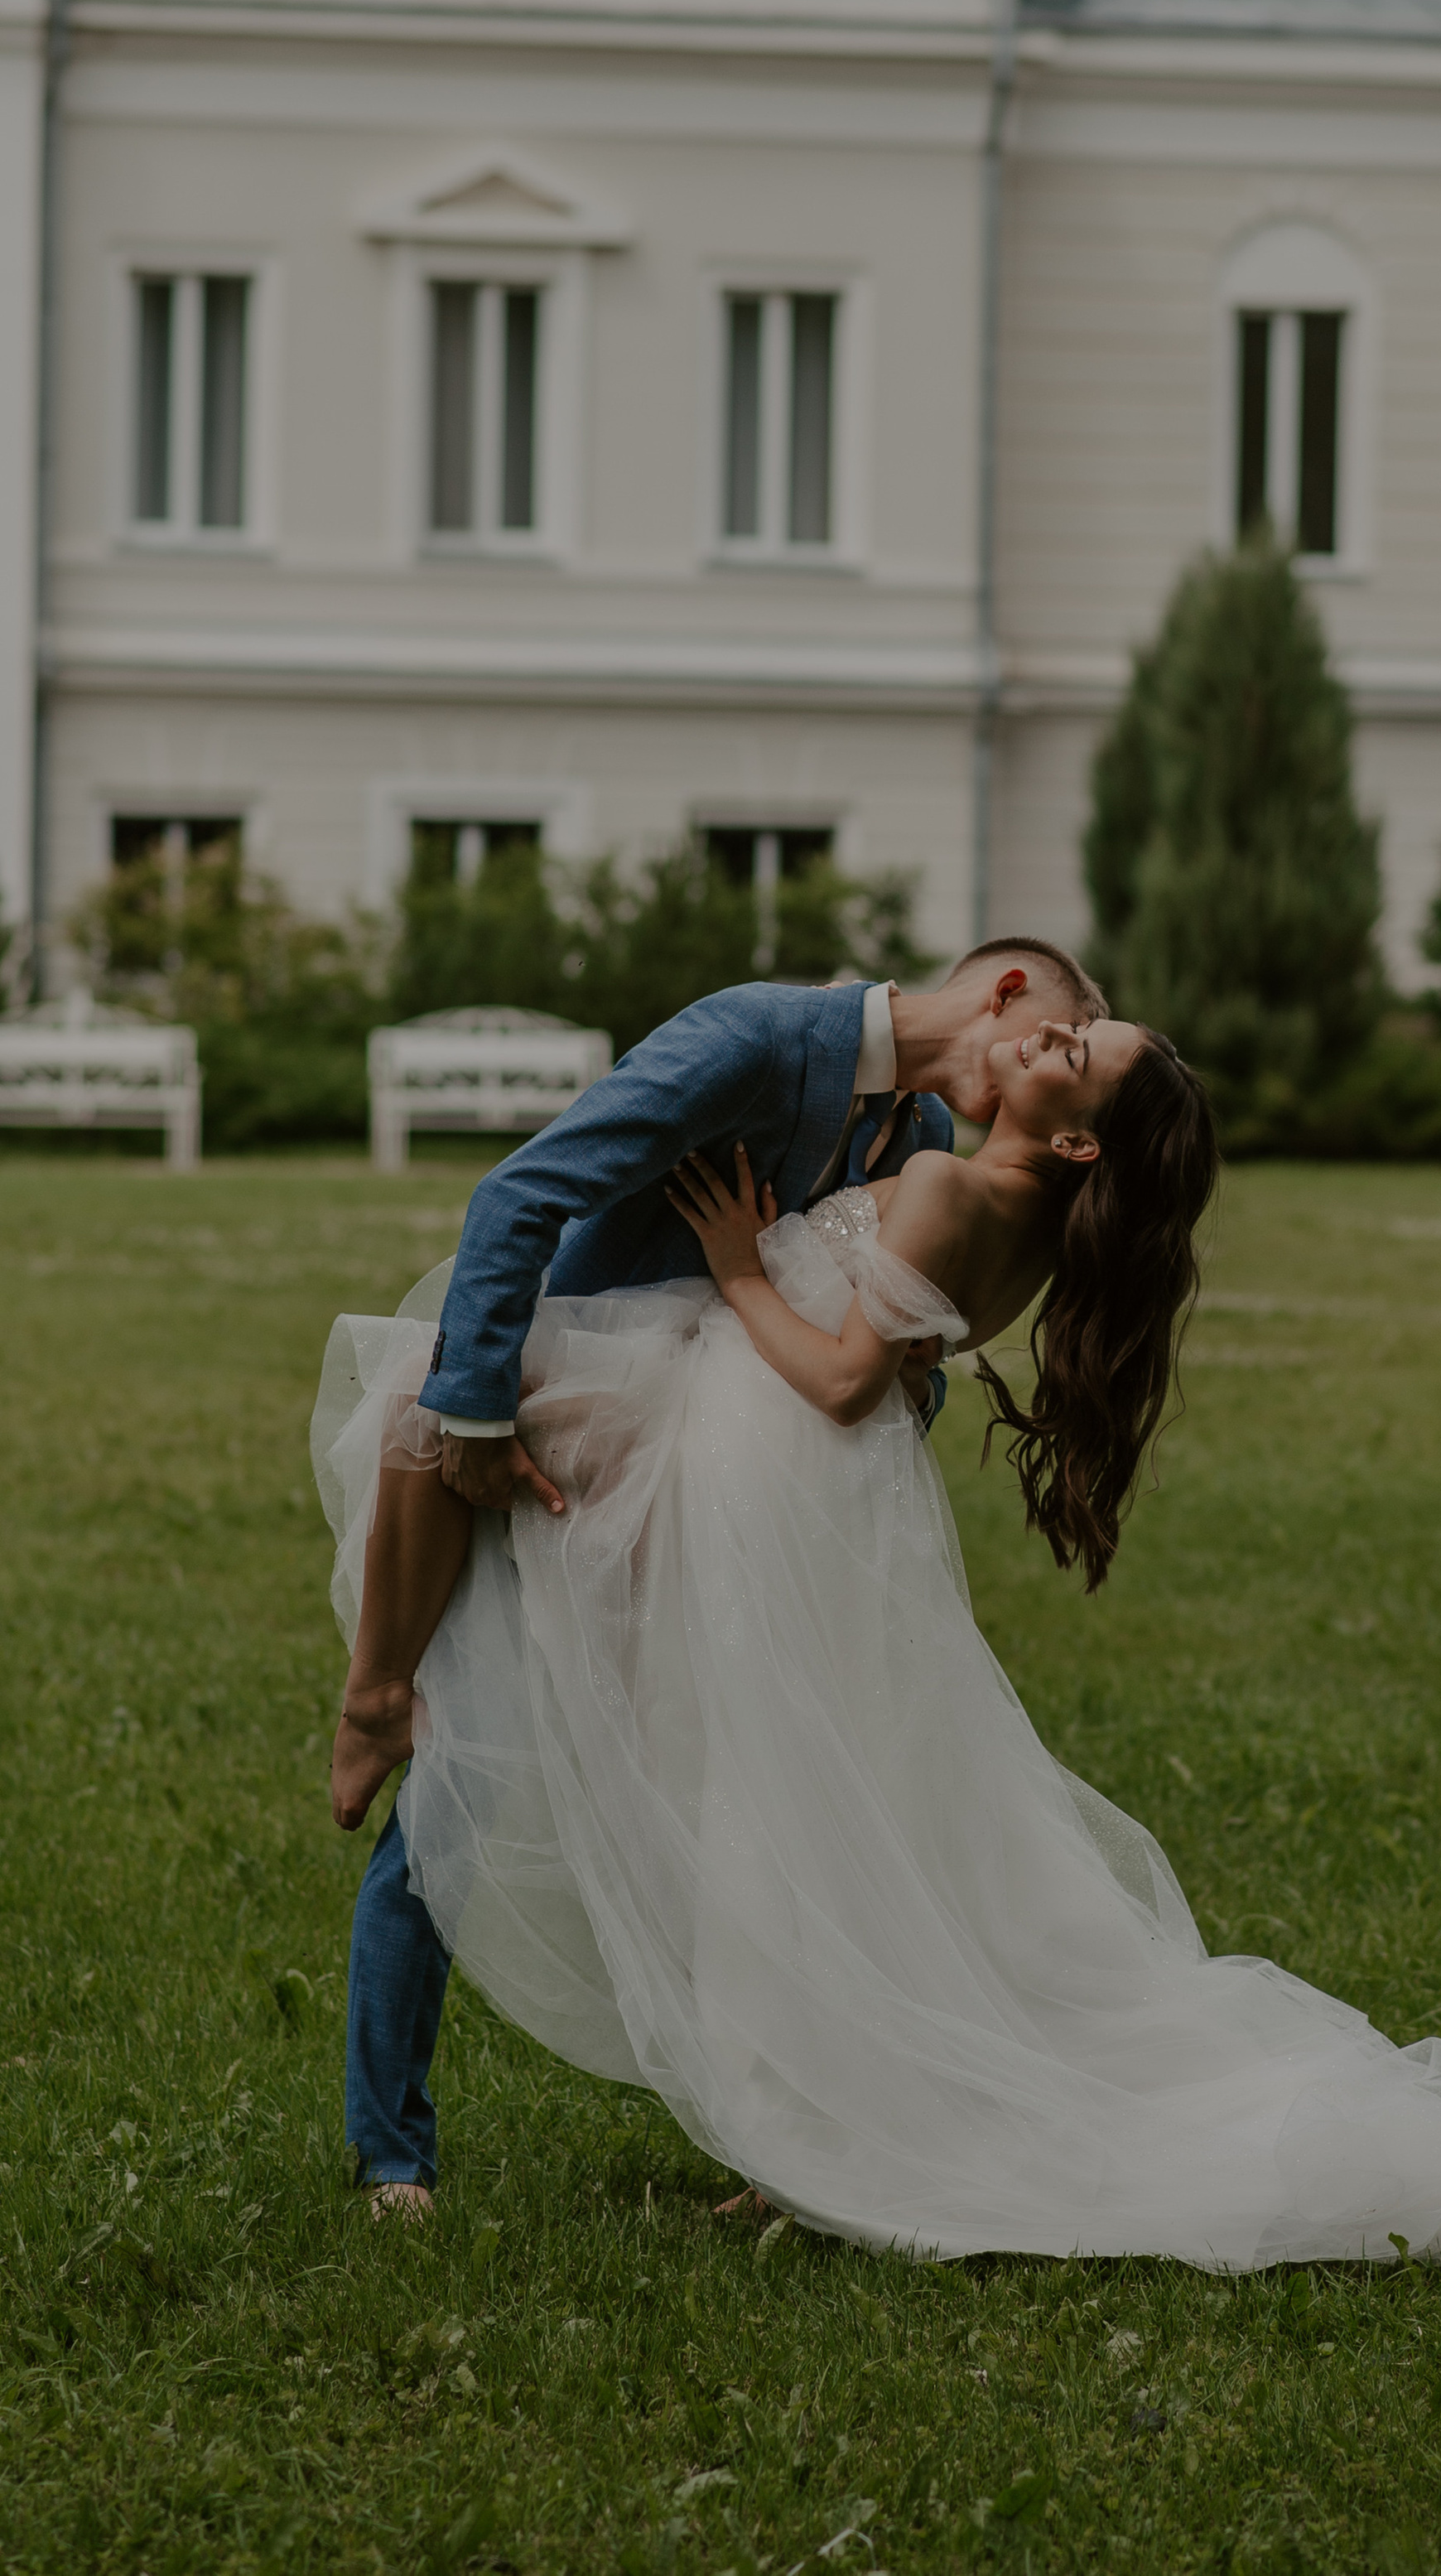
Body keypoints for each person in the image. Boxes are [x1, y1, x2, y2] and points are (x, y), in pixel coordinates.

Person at [315, 1000, 1441, 2271]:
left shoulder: (949, 1181)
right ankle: (792, 2122)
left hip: (765, 1436)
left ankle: (386, 1697)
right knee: (781, 1802)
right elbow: (901, 1357)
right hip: (809, 1475)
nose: (1046, 1034)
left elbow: (847, 1382)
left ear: (1075, 1132)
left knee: (433, 1426)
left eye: (1071, 1048)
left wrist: (737, 1264)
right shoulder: (1022, 1218)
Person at [325, 936, 1105, 2212]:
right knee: (456, 1781)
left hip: (699, 1491)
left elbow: (878, 1335)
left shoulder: (916, 1135)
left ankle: (782, 2133)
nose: (1041, 1069)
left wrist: (900, 1384)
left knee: (714, 1809)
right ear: (1011, 995)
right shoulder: (753, 1040)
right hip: (546, 1416)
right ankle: (391, 2151)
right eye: (1061, 1035)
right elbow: (518, 1200)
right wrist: (475, 1426)